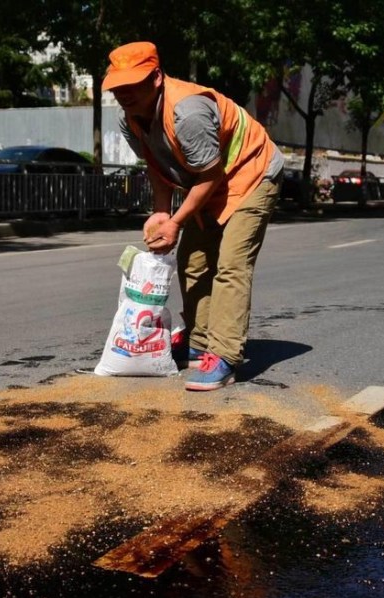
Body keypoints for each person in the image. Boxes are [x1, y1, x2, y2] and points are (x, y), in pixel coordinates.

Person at [102, 41, 285, 392]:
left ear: (155, 77)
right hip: (209, 181)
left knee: (231, 265)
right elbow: (157, 166)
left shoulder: (188, 113)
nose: (123, 93)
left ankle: (226, 355)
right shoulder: (131, 118)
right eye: (117, 86)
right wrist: (160, 212)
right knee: (192, 261)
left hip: (251, 174)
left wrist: (176, 221)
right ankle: (199, 342)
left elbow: (211, 175)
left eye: (132, 84)